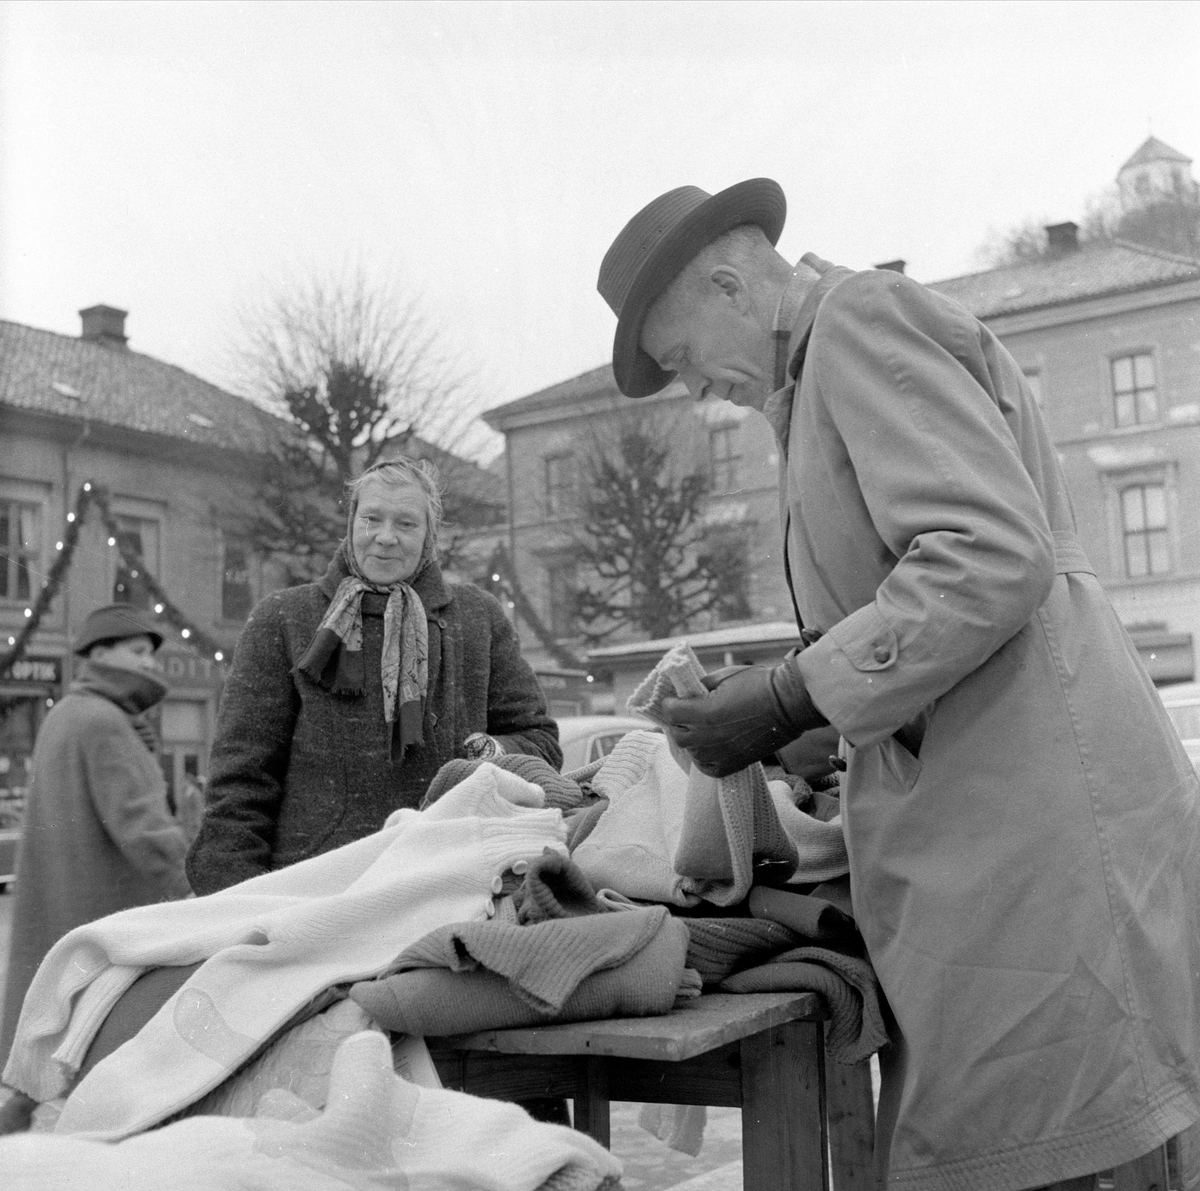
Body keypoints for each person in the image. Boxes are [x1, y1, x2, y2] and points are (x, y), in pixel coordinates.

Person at [596, 180, 1200, 1191]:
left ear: (732, 286)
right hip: (1000, 825)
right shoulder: (817, 375)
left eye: (681, 356)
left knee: (1065, 1146)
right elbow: (916, 614)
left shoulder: (860, 327)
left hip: (1031, 834)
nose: (695, 386)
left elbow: (986, 555)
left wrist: (790, 695)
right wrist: (806, 723)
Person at [186, 455, 561, 895]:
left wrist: (487, 752)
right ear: (351, 524)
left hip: (452, 878)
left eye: (405, 524)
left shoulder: (478, 618)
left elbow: (541, 744)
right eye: (371, 519)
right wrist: (235, 895)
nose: (385, 538)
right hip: (317, 887)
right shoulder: (285, 618)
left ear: (429, 536)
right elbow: (242, 777)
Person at [0, 605, 190, 1096]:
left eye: (151, 653)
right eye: (136, 652)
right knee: (108, 1057)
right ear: (100, 653)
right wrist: (193, 889)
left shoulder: (67, 713)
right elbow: (144, 827)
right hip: (108, 916)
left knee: (46, 1053)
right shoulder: (106, 722)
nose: (150, 663)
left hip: (64, 912)